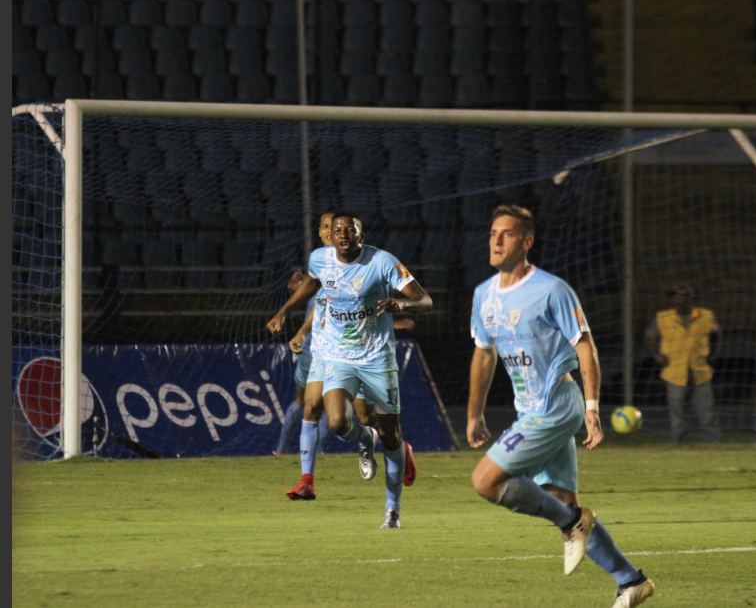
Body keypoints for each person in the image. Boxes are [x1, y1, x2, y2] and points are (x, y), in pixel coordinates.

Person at [466, 205, 655, 608]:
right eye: (493, 233)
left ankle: (572, 524)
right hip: (529, 409)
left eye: (508, 234)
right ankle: (631, 581)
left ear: (527, 242)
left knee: (485, 481)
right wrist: (473, 413)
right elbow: (484, 355)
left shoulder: (551, 289)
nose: (497, 240)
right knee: (561, 499)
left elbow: (584, 345)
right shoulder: (483, 295)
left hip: (556, 404)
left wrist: (591, 407)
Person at [266, 210, 418, 501]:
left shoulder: (358, 263)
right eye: (327, 228)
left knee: (366, 415)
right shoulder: (321, 262)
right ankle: (307, 480)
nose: (330, 232)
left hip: (359, 351)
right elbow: (318, 303)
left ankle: (390, 444)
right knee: (310, 406)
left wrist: (397, 317)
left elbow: (360, 308)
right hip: (324, 351)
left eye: (336, 228)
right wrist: (296, 327)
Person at [304, 211, 432, 528]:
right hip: (339, 356)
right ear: (330, 235)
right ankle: (365, 437)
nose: (344, 234)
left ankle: (393, 508)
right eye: (338, 230)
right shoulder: (319, 260)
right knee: (335, 422)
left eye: (351, 230)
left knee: (392, 436)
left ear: (361, 235)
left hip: (377, 359)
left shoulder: (383, 262)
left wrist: (403, 304)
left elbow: (424, 299)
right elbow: (312, 283)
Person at [644, 285, 721, 444]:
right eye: (674, 297)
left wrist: (712, 354)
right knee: (677, 414)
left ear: (690, 299)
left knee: (707, 413)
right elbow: (649, 337)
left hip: (700, 372)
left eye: (680, 296)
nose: (676, 300)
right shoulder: (662, 317)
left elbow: (716, 335)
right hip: (674, 372)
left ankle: (715, 445)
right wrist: (657, 355)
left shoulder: (706, 316)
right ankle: (679, 444)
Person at [272, 266, 329, 458]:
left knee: (301, 400)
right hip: (325, 353)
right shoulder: (332, 290)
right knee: (328, 403)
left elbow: (295, 288)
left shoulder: (315, 291)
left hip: (307, 351)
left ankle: (280, 450)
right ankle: (316, 450)